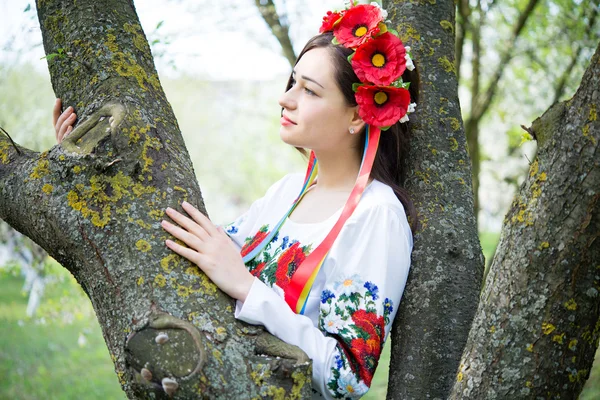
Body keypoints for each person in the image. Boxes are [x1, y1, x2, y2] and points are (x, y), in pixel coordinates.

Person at [54, 3, 417, 398]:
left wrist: (248, 288)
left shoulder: (376, 215)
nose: (286, 99)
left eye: (309, 91)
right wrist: (82, 165)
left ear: (358, 116)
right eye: (292, 82)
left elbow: (347, 377)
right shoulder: (287, 192)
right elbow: (195, 249)